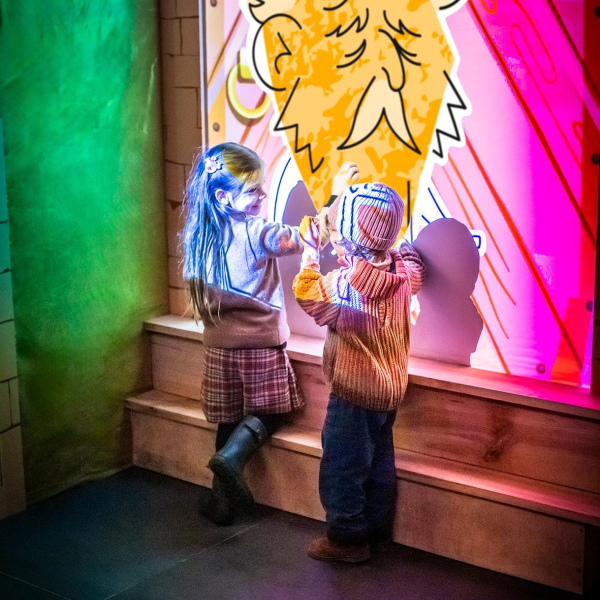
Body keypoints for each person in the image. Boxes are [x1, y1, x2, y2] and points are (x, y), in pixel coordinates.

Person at [293, 182, 425, 562]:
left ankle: (347, 539)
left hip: (353, 394)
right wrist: (402, 248)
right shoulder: (403, 275)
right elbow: (416, 268)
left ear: (350, 240)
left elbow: (306, 293)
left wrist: (310, 253)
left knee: (343, 468)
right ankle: (377, 532)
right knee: (379, 464)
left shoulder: (342, 287)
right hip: (389, 391)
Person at [181, 142, 306, 525]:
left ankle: (222, 502)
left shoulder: (198, 236)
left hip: (220, 348)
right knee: (274, 412)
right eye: (253, 190)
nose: (263, 195)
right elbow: (298, 239)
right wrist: (333, 206)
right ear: (223, 197)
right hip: (261, 346)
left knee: (229, 419)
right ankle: (232, 458)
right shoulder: (257, 231)